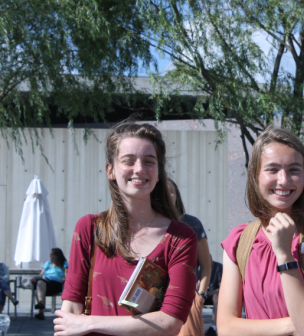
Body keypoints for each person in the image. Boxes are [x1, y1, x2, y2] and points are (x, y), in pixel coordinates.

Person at [55, 121, 198, 336]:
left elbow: (170, 323)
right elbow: (70, 311)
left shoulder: (180, 238)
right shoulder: (89, 229)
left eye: (149, 161)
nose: (139, 169)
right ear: (110, 170)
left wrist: (90, 323)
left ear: (159, 172)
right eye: (128, 161)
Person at [218, 126, 304, 336]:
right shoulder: (239, 241)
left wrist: (284, 255)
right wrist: (293, 325)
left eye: (294, 170)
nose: (283, 180)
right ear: (256, 175)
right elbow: (226, 328)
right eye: (272, 169)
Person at [168, 179, 212, 336]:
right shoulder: (149, 225)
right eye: (162, 190)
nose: (167, 194)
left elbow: (206, 265)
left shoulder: (192, 223)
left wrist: (200, 296)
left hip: (188, 300)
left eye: (171, 190)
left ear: (177, 196)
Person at [30, 248, 68, 320]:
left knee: (39, 287)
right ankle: (41, 309)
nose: (50, 256)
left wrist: (64, 279)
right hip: (45, 283)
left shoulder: (64, 263)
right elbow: (41, 275)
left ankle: (41, 308)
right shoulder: (48, 263)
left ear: (57, 255)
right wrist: (34, 278)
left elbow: (66, 274)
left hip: (55, 284)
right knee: (39, 283)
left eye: (51, 254)